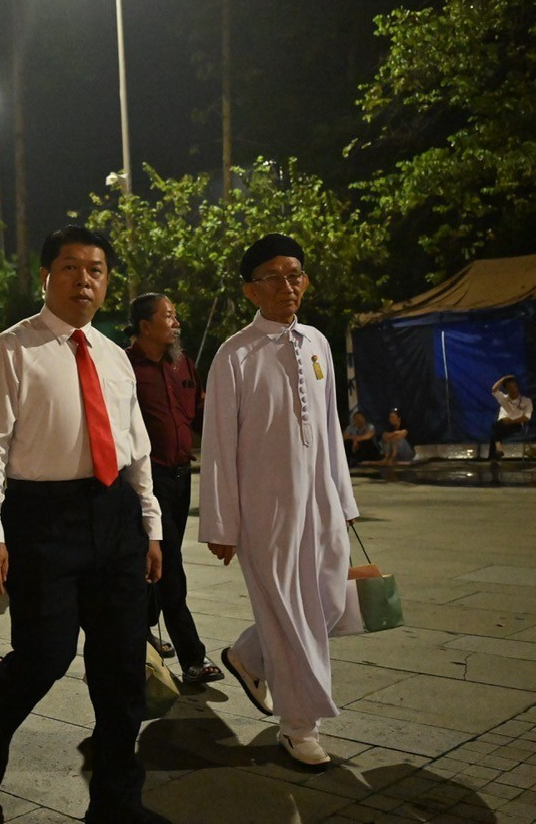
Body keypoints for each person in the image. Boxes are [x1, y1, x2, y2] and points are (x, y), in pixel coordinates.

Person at [0, 226, 163, 822]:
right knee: (46, 654)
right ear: (46, 276)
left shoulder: (114, 355)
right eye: (72, 267)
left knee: (122, 666)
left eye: (96, 269)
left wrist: (150, 524)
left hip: (115, 515)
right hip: (42, 519)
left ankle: (117, 800)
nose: (85, 280)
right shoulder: (12, 349)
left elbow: (135, 445)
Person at [199, 233, 358, 768]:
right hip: (264, 510)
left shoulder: (317, 343)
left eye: (295, 275)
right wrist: (221, 522)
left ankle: (247, 655)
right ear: (251, 290)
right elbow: (218, 445)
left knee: (331, 601)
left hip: (322, 499)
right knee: (291, 612)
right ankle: (298, 727)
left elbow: (330, 426)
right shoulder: (234, 355)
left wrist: (343, 499)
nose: (288, 286)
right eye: (273, 277)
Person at [125, 292, 220, 684]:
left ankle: (143, 629)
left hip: (182, 478)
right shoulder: (123, 367)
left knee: (160, 559)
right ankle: (193, 658)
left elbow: (202, 416)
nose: (176, 323)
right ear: (145, 325)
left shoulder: (183, 363)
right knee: (170, 566)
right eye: (168, 316)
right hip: (146, 482)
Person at [488, 375, 533, 461]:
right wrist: (503, 379)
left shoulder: (526, 401)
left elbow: (527, 417)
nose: (513, 389)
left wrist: (511, 421)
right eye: (509, 387)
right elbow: (494, 389)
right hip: (501, 424)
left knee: (495, 430)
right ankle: (496, 455)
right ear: (506, 389)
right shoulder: (503, 398)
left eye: (514, 386)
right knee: (496, 427)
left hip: (516, 424)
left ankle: (496, 452)